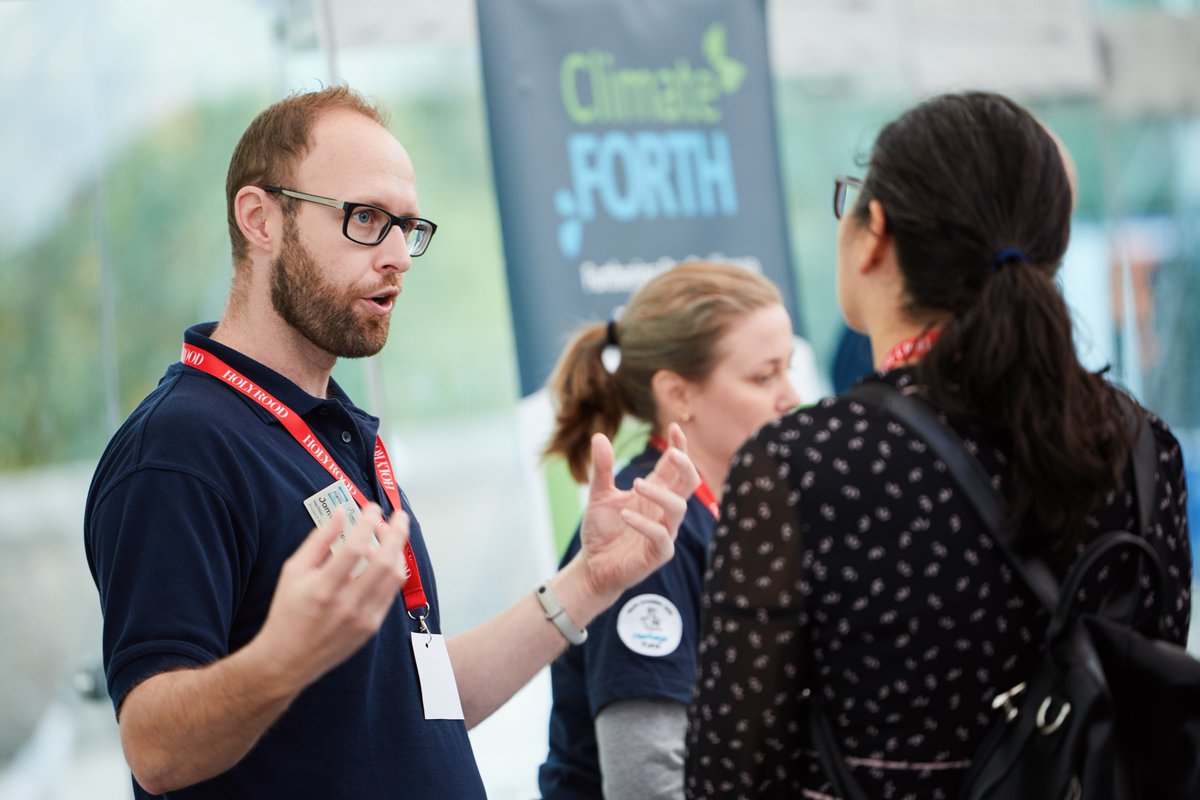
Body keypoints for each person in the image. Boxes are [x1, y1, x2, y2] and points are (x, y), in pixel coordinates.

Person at [83, 86, 699, 800]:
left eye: (409, 227)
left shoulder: (329, 428)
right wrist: (282, 657)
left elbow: (422, 699)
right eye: (367, 218)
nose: (400, 256)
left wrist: (589, 582)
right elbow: (154, 748)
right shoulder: (179, 449)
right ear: (260, 219)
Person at [684, 91, 1192, 799]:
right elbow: (1153, 718)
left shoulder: (804, 466)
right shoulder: (1143, 450)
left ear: (876, 232)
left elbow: (730, 780)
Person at [537, 261, 801, 800]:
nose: (790, 397)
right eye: (763, 376)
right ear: (678, 395)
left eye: (788, 369)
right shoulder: (646, 531)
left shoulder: (736, 515)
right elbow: (646, 784)